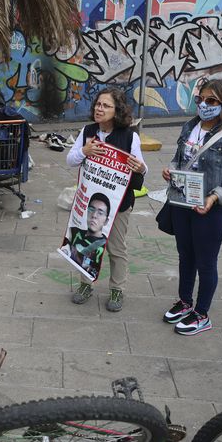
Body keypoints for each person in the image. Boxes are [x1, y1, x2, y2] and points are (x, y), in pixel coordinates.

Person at [161, 79, 222, 335]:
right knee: (185, 255)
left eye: (211, 101)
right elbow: (179, 158)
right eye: (200, 99)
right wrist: (170, 169)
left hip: (211, 210)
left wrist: (214, 197)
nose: (204, 105)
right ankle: (185, 301)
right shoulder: (189, 126)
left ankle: (201, 314)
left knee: (206, 261)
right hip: (182, 203)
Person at [66, 87, 147, 312]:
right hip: (91, 201)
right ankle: (85, 284)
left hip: (119, 204)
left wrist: (140, 167)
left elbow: (142, 168)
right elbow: (70, 160)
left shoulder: (130, 136)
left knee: (116, 248)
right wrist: (85, 151)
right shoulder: (88, 131)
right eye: (98, 105)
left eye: (106, 106)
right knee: (86, 243)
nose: (99, 109)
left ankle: (117, 289)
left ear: (117, 111)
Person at [67, 193, 111, 280]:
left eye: (100, 213)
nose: (94, 215)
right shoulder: (74, 231)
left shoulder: (103, 244)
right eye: (91, 209)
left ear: (106, 221)